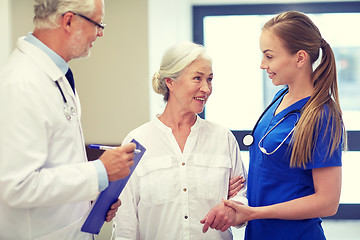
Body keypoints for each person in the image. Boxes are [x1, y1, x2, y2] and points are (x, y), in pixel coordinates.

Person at [0, 0, 136, 239]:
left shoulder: (56, 75)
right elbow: (17, 186)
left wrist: (90, 196)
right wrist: (99, 172)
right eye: (98, 23)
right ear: (69, 20)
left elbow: (58, 163)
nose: (101, 33)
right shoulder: (22, 83)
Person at [206, 11, 346, 240]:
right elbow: (272, 168)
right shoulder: (280, 97)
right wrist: (241, 191)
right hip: (259, 232)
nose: (263, 65)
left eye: (269, 56)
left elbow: (327, 203)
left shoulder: (323, 116)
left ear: (300, 58)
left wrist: (255, 212)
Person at [112, 42, 248, 240]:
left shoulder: (223, 139)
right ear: (170, 82)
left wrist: (233, 210)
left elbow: (241, 198)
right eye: (197, 78)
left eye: (210, 79)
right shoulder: (137, 141)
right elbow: (125, 223)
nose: (206, 89)